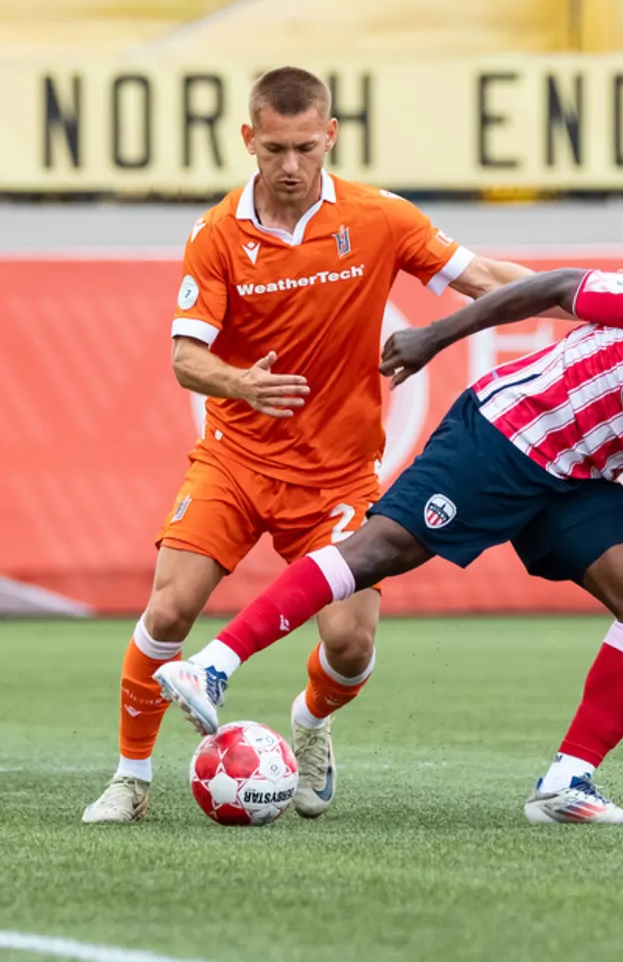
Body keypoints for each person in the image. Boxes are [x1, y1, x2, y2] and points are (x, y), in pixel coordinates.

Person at [155, 267, 623, 824]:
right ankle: (211, 667)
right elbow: (551, 289)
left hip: (574, 480)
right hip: (508, 430)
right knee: (382, 549)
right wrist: (437, 336)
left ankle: (567, 783)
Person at [82, 66, 542, 824]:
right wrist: (240, 384)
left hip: (337, 477)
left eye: (304, 147)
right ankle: (131, 779)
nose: (290, 166)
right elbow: (183, 357)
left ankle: (313, 722)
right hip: (235, 461)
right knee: (169, 611)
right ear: (247, 141)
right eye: (273, 149)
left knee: (352, 646)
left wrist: (585, 302)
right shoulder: (219, 234)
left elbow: (483, 278)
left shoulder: (380, 217)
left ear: (329, 135)